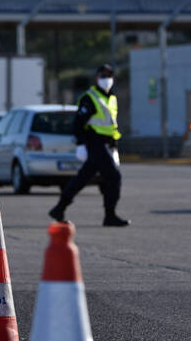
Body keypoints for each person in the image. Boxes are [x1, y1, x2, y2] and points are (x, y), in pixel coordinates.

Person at [48, 64, 130, 227]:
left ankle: (59, 208)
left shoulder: (111, 98)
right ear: (97, 78)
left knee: (83, 177)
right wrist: (81, 144)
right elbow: (78, 124)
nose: (107, 79)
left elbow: (110, 125)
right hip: (95, 142)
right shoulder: (90, 97)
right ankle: (110, 215)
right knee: (114, 176)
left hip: (106, 144)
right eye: (103, 76)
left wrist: (113, 145)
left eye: (109, 76)